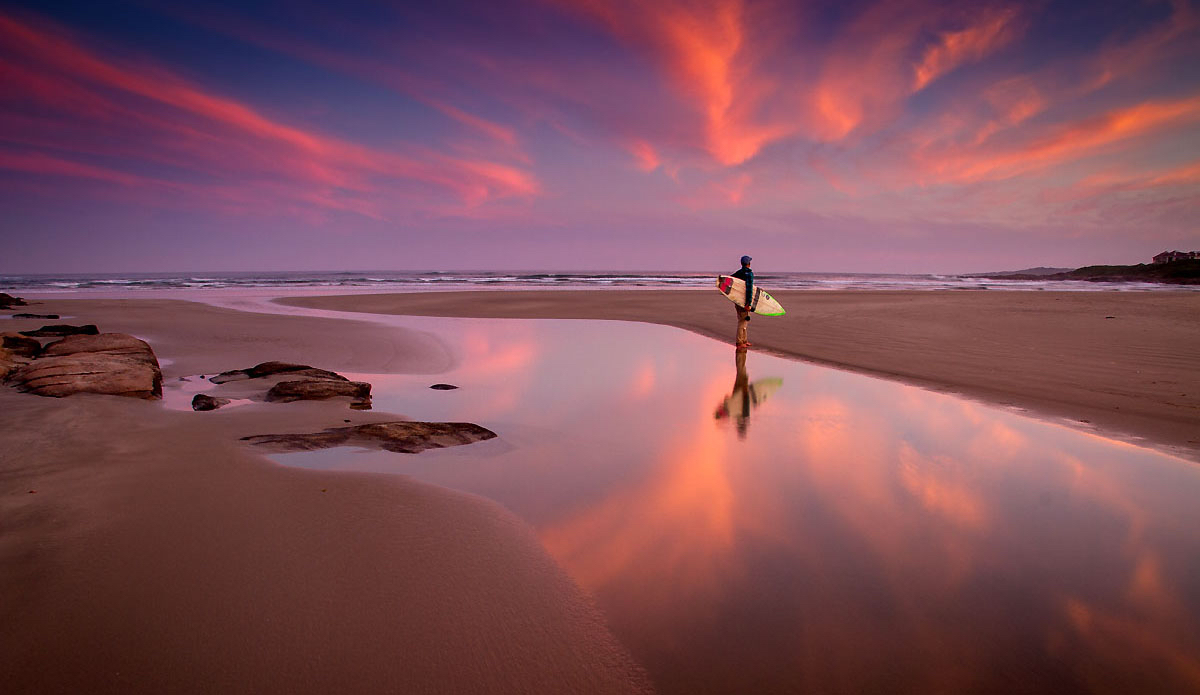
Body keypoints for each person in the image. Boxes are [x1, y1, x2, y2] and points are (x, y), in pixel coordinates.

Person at [732, 255, 753, 348]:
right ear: (749, 263)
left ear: (741, 263)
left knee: (744, 320)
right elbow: (749, 289)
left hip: (737, 300)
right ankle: (740, 342)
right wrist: (748, 303)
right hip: (744, 301)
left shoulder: (739, 273)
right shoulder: (749, 274)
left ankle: (744, 340)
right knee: (742, 321)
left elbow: (730, 280)